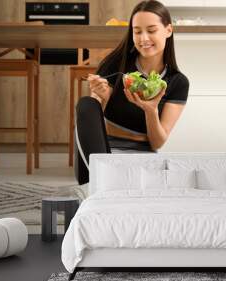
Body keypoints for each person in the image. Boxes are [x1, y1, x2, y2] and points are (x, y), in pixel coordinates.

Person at [75, 0, 189, 184]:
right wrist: (101, 98)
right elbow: (91, 120)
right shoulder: (115, 63)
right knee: (87, 104)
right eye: (137, 32)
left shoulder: (178, 82)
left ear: (168, 30)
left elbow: (157, 143)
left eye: (151, 31)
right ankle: (99, 180)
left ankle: (101, 184)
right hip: (102, 150)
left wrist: (151, 110)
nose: (144, 39)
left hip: (143, 153)